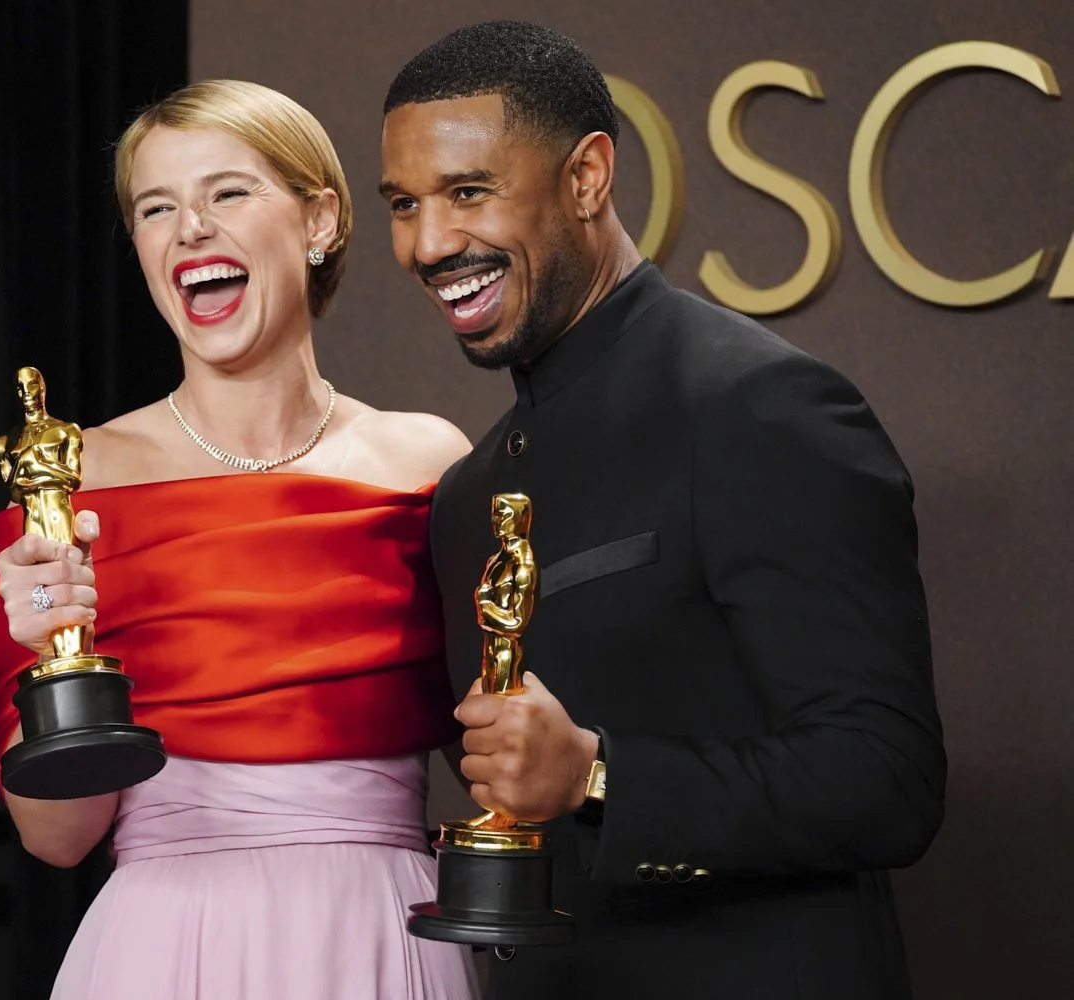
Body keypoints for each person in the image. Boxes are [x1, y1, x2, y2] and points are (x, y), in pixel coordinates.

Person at [378, 21, 946, 1000]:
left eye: (469, 192)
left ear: (588, 177)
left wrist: (599, 774)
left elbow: (887, 778)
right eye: (405, 204)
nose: (430, 243)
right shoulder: (469, 495)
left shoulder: (759, 406)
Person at [0, 79, 479, 999]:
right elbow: (58, 837)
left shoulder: (429, 461)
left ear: (320, 219)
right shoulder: (70, 480)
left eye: (227, 192)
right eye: (156, 207)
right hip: (169, 948)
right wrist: (48, 646)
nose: (190, 230)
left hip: (377, 935)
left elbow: (502, 769)